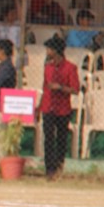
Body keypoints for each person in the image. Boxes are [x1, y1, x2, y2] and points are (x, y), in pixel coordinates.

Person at [40, 36, 80, 179]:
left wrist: (61, 87)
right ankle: (49, 169)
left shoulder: (70, 68)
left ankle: (59, 165)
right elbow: (44, 88)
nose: (47, 51)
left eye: (49, 49)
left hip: (63, 108)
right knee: (48, 138)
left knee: (62, 138)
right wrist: (39, 106)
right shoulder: (48, 67)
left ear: (55, 51)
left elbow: (76, 90)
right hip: (48, 106)